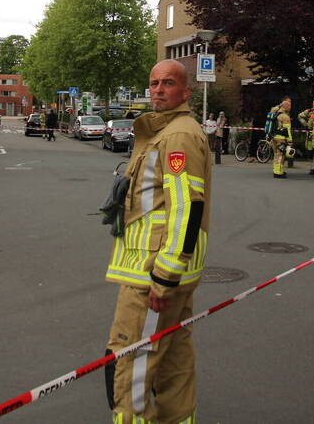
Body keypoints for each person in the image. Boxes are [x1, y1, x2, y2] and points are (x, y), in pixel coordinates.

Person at [105, 59, 211, 423]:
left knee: (131, 359)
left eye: (168, 83)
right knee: (173, 362)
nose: (158, 90)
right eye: (153, 83)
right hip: (167, 271)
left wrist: (164, 276)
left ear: (185, 91)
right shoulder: (167, 130)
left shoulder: (177, 135)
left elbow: (186, 207)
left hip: (152, 275)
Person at [269, 97, 292, 179]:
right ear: (286, 107)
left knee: (276, 155)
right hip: (281, 139)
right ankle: (279, 173)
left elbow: (273, 109)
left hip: (273, 137)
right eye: (289, 106)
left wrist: (280, 105)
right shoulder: (285, 117)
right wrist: (290, 141)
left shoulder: (274, 113)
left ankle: (276, 171)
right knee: (281, 156)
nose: (290, 107)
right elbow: (288, 130)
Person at [297, 104, 314, 172]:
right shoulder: (310, 111)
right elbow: (300, 116)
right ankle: (312, 168)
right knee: (310, 151)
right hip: (310, 135)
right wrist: (306, 124)